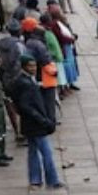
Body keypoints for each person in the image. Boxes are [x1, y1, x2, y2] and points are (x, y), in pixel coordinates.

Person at [13, 55, 64, 188]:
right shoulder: (26, 83)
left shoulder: (24, 80)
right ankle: (52, 180)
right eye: (30, 66)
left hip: (29, 124)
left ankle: (35, 180)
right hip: (35, 124)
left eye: (34, 65)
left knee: (33, 151)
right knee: (46, 152)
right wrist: (43, 120)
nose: (34, 68)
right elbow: (26, 106)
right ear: (24, 67)